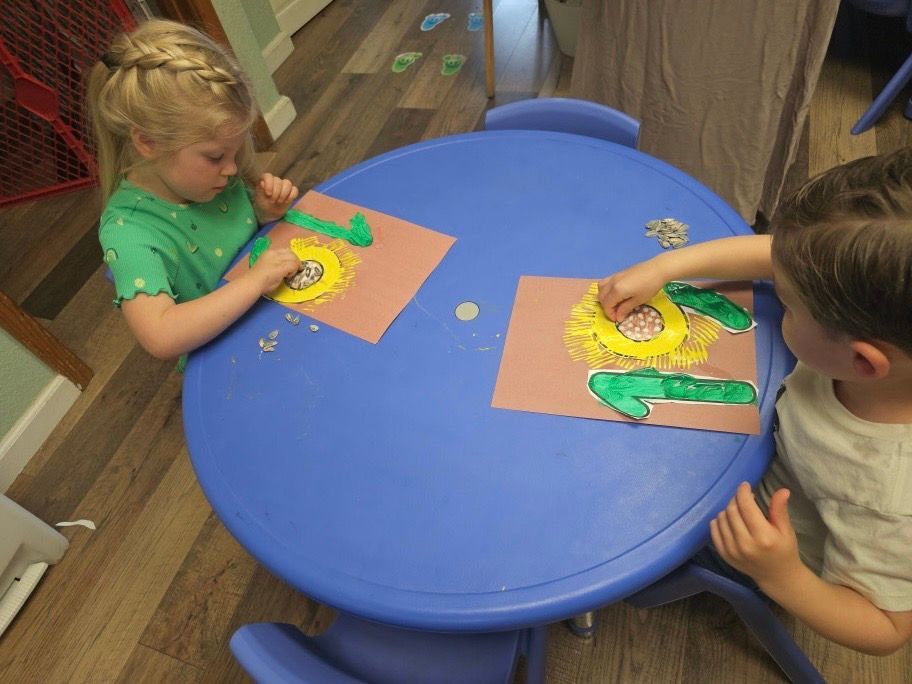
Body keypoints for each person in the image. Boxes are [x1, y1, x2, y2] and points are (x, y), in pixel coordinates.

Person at [598, 148, 912, 655]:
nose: (779, 297)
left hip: (756, 536)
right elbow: (779, 255)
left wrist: (783, 575)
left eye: (787, 304)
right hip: (763, 435)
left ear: (864, 363)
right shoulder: (876, 331)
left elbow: (885, 631)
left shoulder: (889, 495)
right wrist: (666, 265)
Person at [87, 19, 301, 362]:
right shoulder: (129, 233)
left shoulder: (208, 177)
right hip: (229, 357)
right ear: (149, 142)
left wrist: (263, 213)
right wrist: (254, 281)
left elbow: (234, 239)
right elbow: (161, 336)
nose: (232, 169)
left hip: (277, 315)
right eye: (216, 156)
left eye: (234, 153)